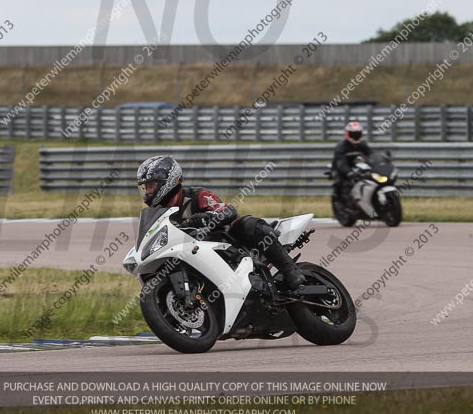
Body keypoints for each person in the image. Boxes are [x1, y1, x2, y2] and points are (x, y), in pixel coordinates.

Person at [136, 155, 305, 290]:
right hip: (197, 256)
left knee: (247, 224)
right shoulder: (161, 214)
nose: (148, 192)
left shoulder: (197, 196)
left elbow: (226, 210)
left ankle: (290, 270)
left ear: (169, 180)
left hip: (229, 246)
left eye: (151, 186)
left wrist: (206, 217)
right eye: (145, 187)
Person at [331, 121, 373, 204]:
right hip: (343, 170)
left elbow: (371, 155)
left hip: (359, 168)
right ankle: (340, 202)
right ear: (348, 134)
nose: (355, 137)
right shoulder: (341, 146)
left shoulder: (363, 144)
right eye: (353, 134)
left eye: (357, 134)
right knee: (340, 182)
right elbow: (340, 162)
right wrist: (348, 172)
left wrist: (376, 165)